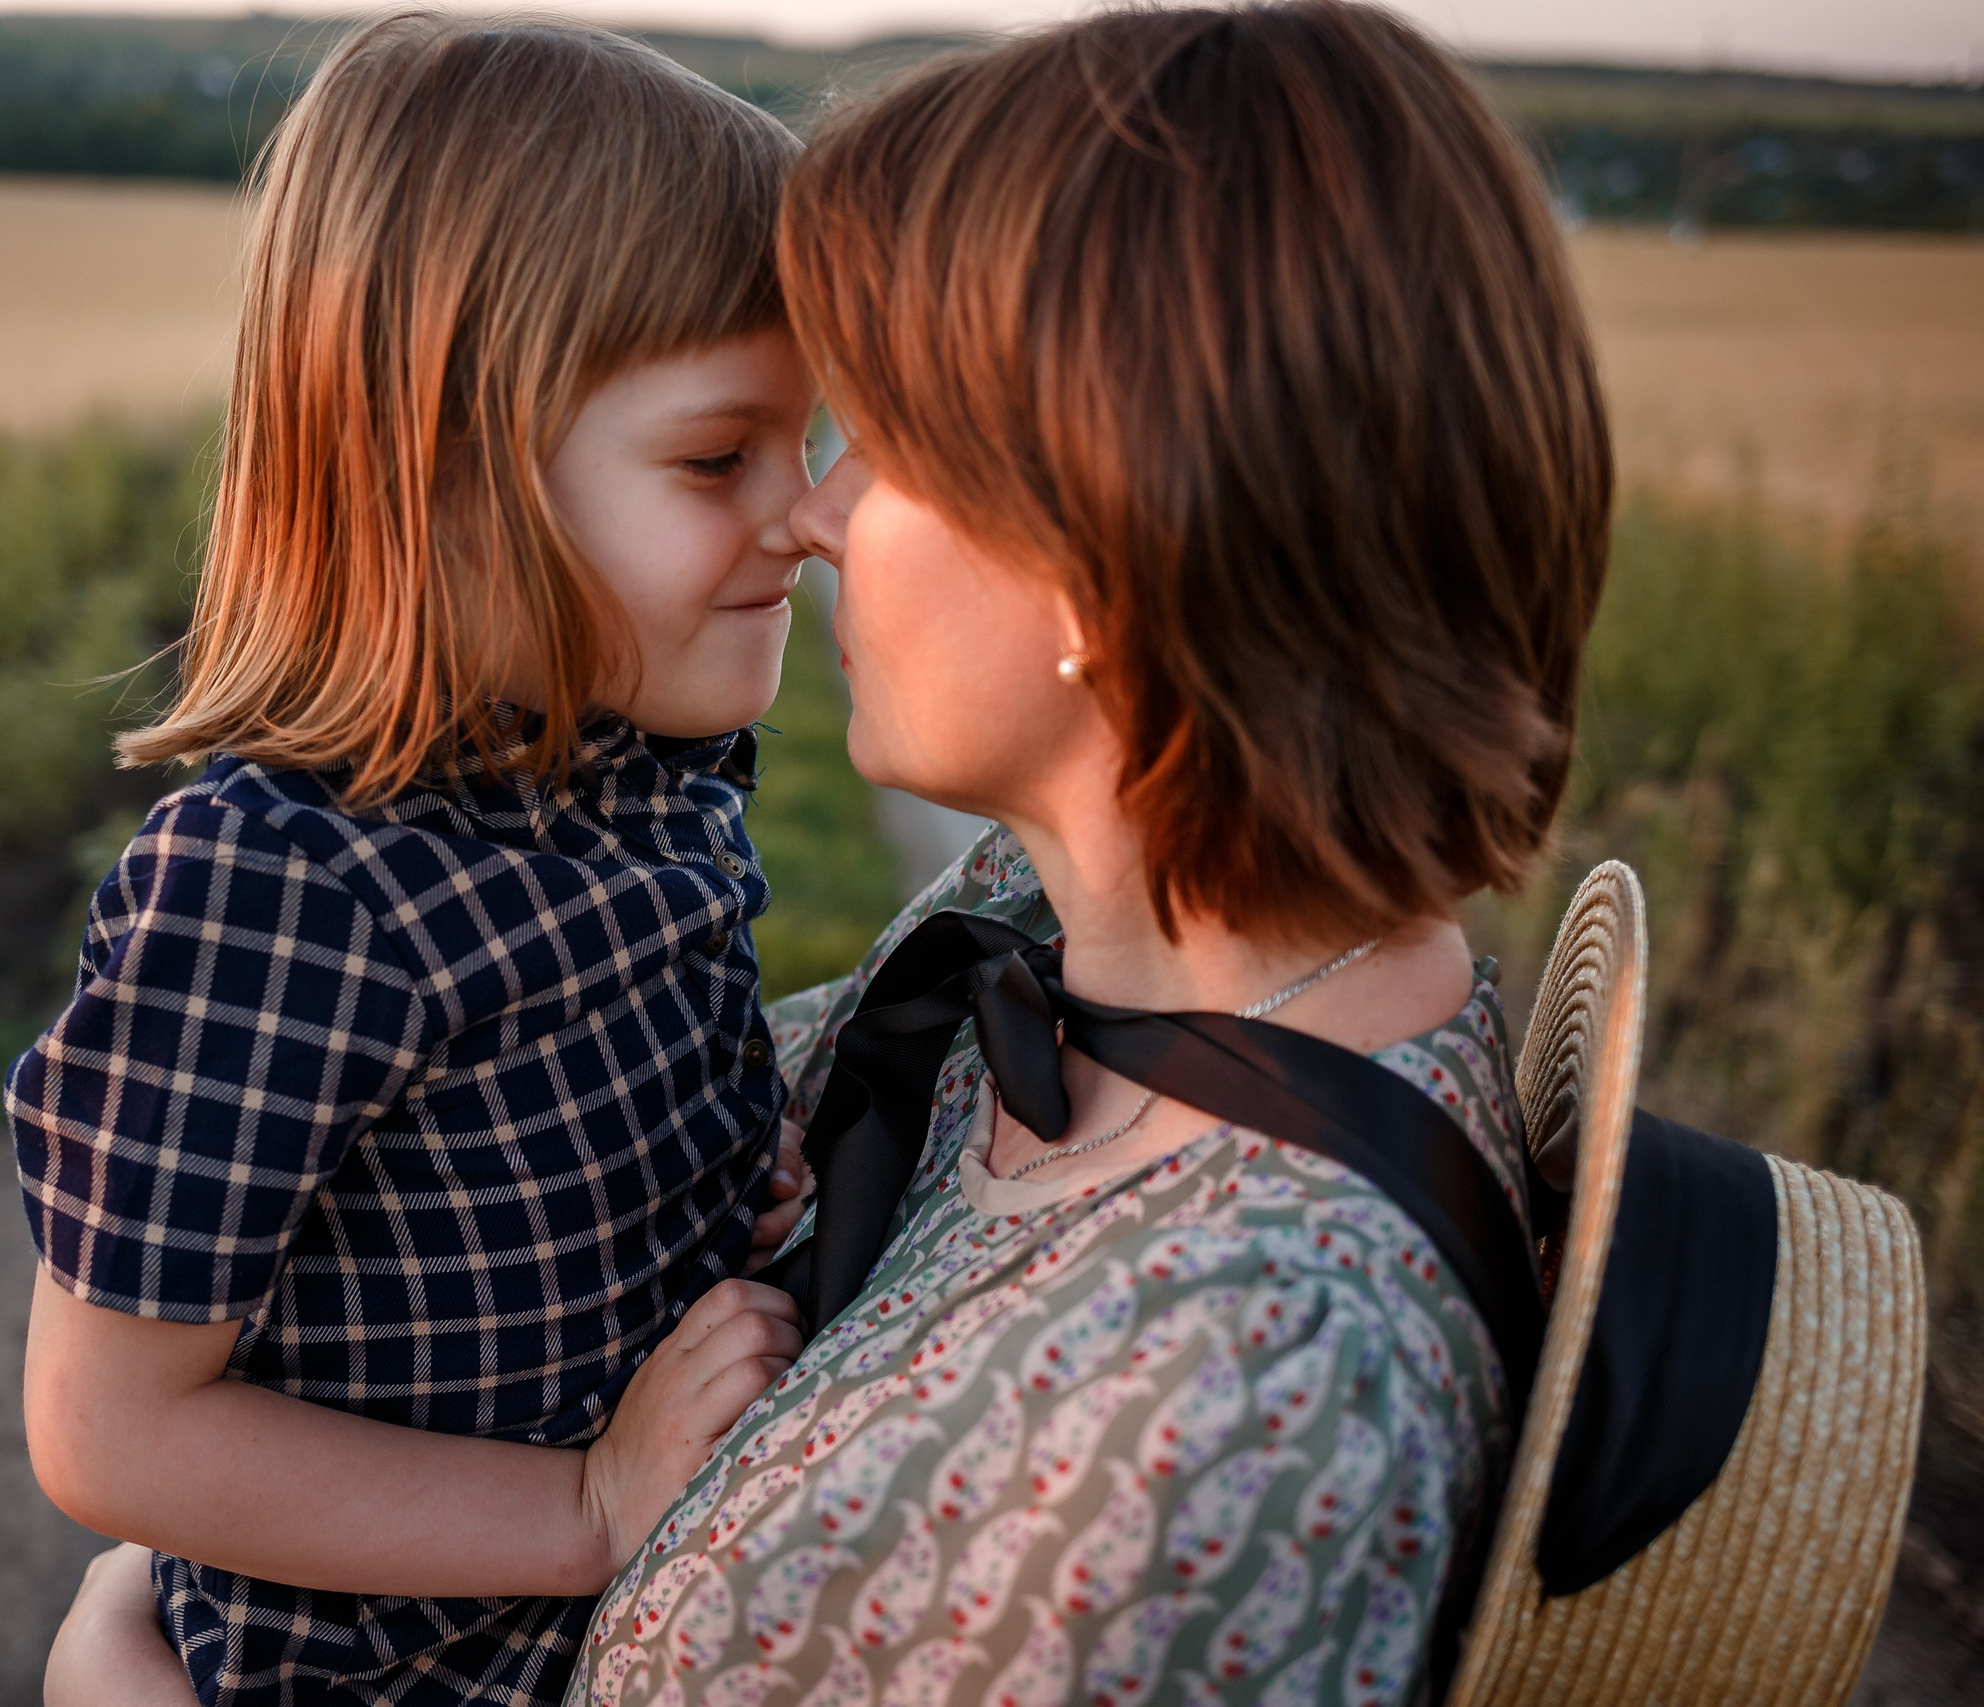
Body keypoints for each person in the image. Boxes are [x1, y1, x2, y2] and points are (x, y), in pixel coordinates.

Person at [567, 6, 1608, 1706]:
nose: (814, 515)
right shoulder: (1050, 922)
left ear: (1098, 537)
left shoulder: (1252, 1390)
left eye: (884, 441)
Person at [9, 17, 825, 1705]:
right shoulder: (291, 890)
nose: (806, 514)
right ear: (449, 476)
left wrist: (735, 1176)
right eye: (716, 458)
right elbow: (111, 1431)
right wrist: (586, 1511)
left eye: (804, 446)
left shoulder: (645, 787)